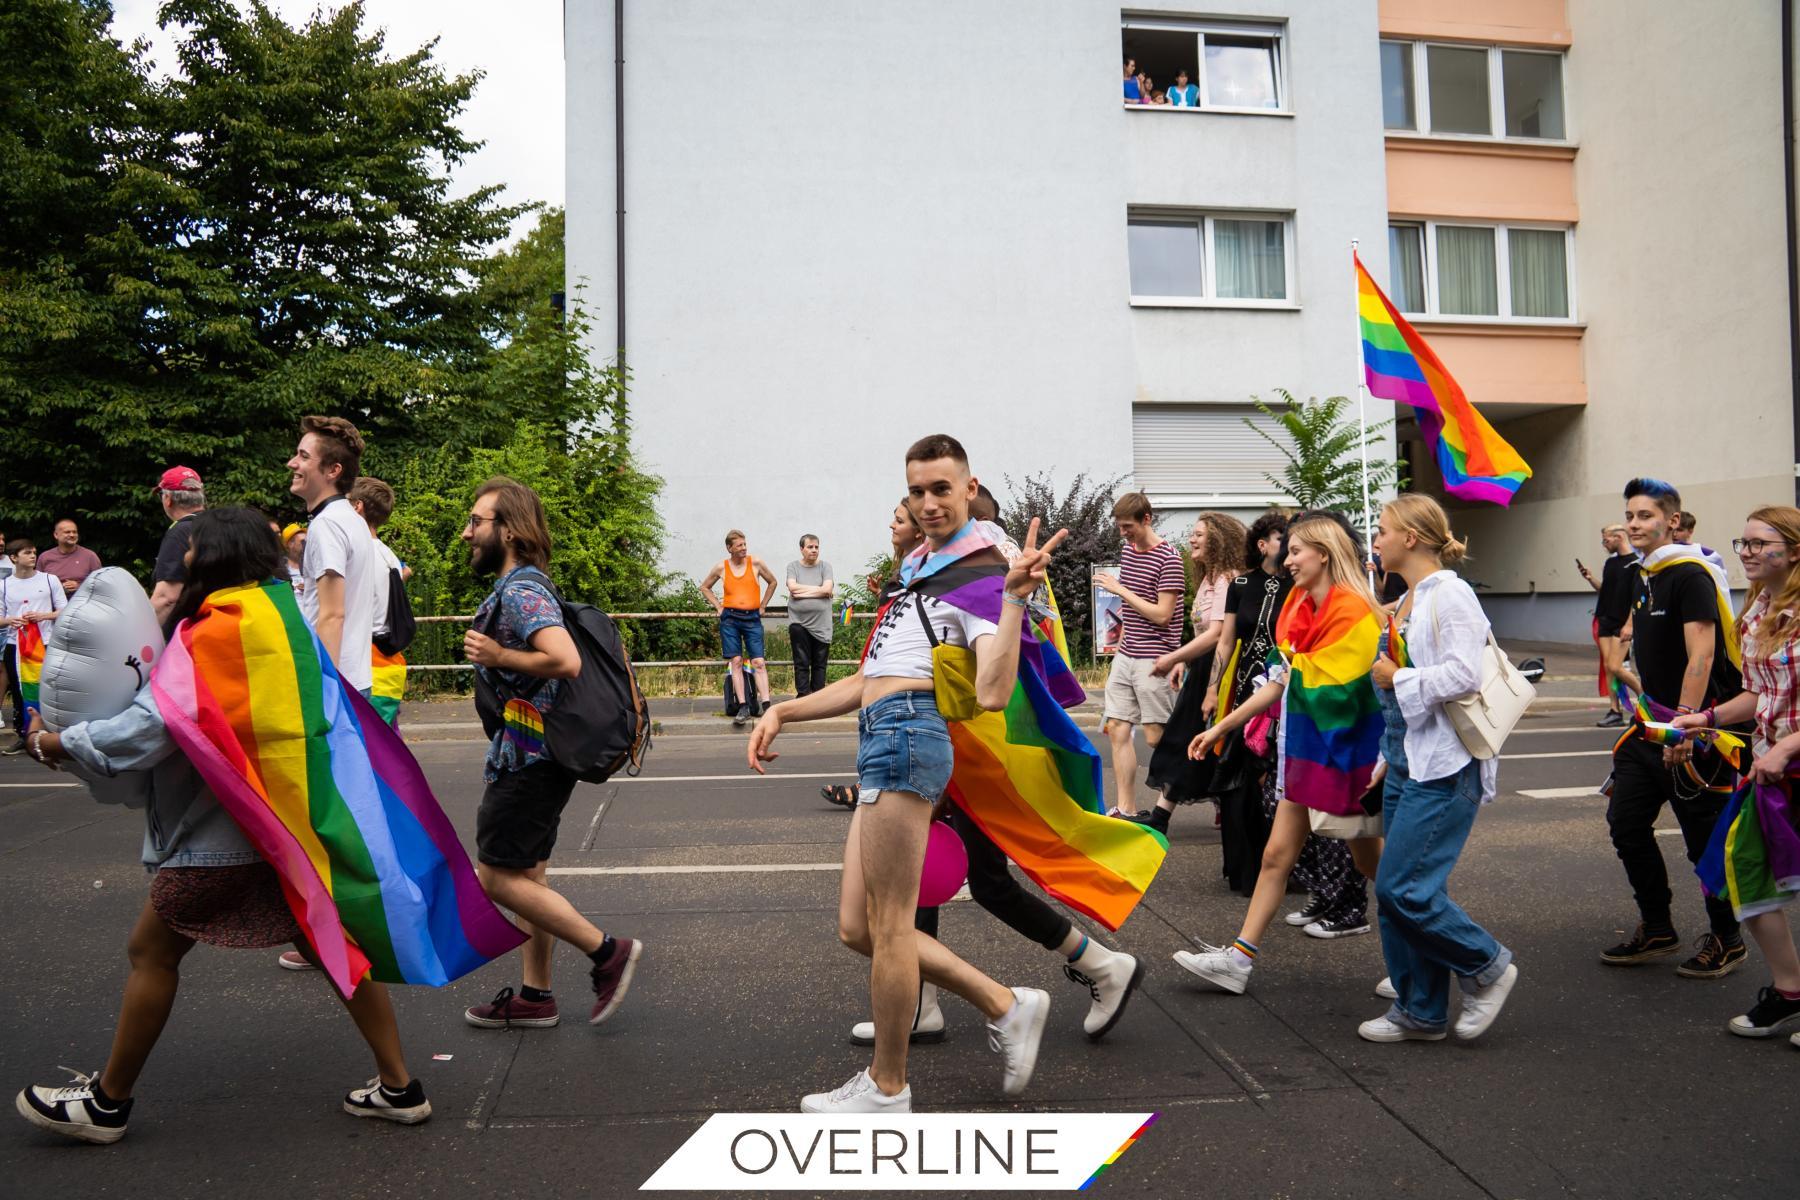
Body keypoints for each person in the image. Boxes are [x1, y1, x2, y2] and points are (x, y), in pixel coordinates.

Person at [14, 508, 430, 1144]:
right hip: (289, 830)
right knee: (331, 944)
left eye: (188, 552)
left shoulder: (210, 636)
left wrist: (57, 743)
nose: (179, 562)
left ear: (211, 560)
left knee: (151, 953)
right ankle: (400, 1086)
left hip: (218, 837)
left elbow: (149, 729)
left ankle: (107, 1103)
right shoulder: (286, 624)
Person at [748, 434, 1063, 1114]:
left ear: (969, 488)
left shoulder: (980, 571)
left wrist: (1011, 601)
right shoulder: (924, 564)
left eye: (940, 489)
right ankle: (1004, 1005)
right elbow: (870, 679)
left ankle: (888, 1087)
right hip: (883, 733)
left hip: (910, 739)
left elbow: (992, 691)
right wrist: (783, 709)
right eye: (916, 490)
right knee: (858, 928)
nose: (926, 502)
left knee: (890, 926)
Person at [457, 477, 643, 1032]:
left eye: (476, 521)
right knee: (529, 878)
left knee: (494, 877)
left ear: (507, 530)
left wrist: (497, 652)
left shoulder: (521, 591)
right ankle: (536, 996)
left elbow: (565, 660)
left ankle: (606, 951)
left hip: (530, 759)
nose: (467, 532)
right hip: (541, 755)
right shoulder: (530, 586)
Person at [1174, 515, 1385, 996]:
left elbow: (1333, 687)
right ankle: (1238, 960)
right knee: (1274, 857)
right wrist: (1223, 728)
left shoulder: (1352, 609)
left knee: (1375, 866)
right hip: (1304, 754)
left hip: (1341, 758)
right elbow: (1279, 679)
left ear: (1324, 555)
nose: (1286, 560)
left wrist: (1294, 671)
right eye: (1287, 551)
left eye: (1296, 552)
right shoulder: (1297, 605)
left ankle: (1427, 954)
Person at [1359, 495, 1518, 1043]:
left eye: (1381, 530)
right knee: (1396, 891)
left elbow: (1462, 677)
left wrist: (1394, 679)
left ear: (1412, 537)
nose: (1374, 539)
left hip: (1447, 766)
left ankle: (1487, 966)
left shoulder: (1452, 595)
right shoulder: (1405, 599)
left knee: (1405, 889)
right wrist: (1385, 756)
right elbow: (1404, 698)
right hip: (1408, 760)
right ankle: (1420, 1010)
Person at [1600, 478, 1746, 977]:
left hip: (1693, 732)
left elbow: (1702, 655)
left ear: (1673, 521)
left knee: (1703, 842)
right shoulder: (1645, 574)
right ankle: (1657, 926)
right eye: (1630, 516)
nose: (1634, 524)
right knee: (1625, 824)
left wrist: (1682, 728)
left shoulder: (1688, 574)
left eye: (1645, 516)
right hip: (1648, 726)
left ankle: (1728, 938)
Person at [1672, 506, 1800, 1040]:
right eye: (1742, 542)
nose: (1746, 551)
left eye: (1759, 543)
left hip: (1786, 761)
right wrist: (1704, 718)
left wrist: (1789, 745)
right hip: (1771, 772)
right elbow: (1756, 695)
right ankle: (1791, 992)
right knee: (1744, 873)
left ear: (1793, 550)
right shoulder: (1755, 611)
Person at [271, 419, 378, 971]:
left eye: (302, 455)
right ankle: (338, 934)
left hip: (334, 686)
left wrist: (321, 694)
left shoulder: (331, 528)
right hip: (352, 682)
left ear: (331, 471)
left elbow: (331, 613)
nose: (293, 462)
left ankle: (341, 939)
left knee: (322, 822)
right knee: (333, 819)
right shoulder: (349, 523)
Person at [1136, 512, 1248, 833]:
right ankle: (1163, 815)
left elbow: (1217, 636)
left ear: (1219, 539)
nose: (1192, 539)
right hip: (1201, 666)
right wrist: (1185, 661)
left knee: (1194, 740)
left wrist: (1172, 658)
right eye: (1193, 534)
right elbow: (1202, 634)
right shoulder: (1208, 579)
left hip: (1219, 670)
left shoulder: (1228, 579)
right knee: (1188, 739)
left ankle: (1162, 817)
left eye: (1200, 534)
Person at [1200, 512, 1290, 893]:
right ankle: (1245, 867)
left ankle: (1287, 866)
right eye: (1281, 537)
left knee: (1278, 777)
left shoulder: (1298, 586)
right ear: (1262, 544)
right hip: (1243, 691)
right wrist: (1210, 689)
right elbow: (1226, 641)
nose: (1288, 545)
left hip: (1285, 692)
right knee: (1240, 776)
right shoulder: (1240, 585)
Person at [821, 502, 924, 810]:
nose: (891, 525)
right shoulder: (905, 566)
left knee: (881, 727)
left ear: (919, 532)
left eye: (899, 520)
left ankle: (869, 788)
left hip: (897, 669)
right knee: (870, 722)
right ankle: (868, 785)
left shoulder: (922, 570)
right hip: (879, 657)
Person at [1094, 493, 1183, 817]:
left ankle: (1189, 792)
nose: (1123, 534)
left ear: (1147, 519)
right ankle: (1127, 808)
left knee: (1157, 737)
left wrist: (1120, 590)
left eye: (1127, 527)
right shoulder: (1128, 552)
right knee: (1117, 727)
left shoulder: (1169, 559)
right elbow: (1132, 611)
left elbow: (1163, 615)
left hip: (1155, 658)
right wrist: (1121, 646)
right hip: (1127, 654)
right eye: (1119, 527)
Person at [701, 531, 778, 726]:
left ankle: (767, 705)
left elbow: (773, 582)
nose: (744, 548)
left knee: (759, 662)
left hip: (752, 618)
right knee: (735, 661)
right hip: (730, 619)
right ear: (730, 548)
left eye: (745, 544)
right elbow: (705, 587)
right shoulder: (722, 567)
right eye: (739, 545)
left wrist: (763, 606)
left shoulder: (756, 563)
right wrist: (718, 606)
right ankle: (743, 706)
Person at [350, 477, 407, 727]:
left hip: (366, 667)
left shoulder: (357, 553)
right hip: (389, 666)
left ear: (357, 507)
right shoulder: (389, 556)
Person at [1, 537, 66, 755]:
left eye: (34, 551)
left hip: (47, 643)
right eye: (27, 552)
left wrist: (43, 616)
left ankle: (54, 734)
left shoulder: (49, 580)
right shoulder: (3, 585)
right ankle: (25, 735)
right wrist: (11, 620)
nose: (33, 556)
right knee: (21, 690)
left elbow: (65, 610)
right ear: (14, 558)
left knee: (51, 686)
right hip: (16, 646)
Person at [1579, 524, 1638, 727]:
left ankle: (1646, 701)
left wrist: (1630, 625)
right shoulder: (1610, 564)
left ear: (1619, 537)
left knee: (1615, 666)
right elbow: (1605, 591)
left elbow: (1637, 598)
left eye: (1606, 540)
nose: (1604, 544)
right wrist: (1590, 579)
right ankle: (1615, 711)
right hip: (1605, 619)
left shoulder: (1636, 564)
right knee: (1608, 668)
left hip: (1622, 623)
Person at [150, 466, 205, 626]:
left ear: (168, 499)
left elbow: (167, 598)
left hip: (192, 633)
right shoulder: (221, 525)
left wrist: (139, 638)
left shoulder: (180, 532)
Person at [785, 535, 835, 698]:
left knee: (820, 663)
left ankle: (817, 698)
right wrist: (819, 590)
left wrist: (803, 592)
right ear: (802, 549)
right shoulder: (793, 567)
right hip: (799, 623)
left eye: (816, 547)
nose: (814, 550)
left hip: (822, 624)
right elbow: (793, 588)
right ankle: (803, 696)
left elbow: (827, 588)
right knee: (801, 662)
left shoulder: (825, 567)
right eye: (810, 547)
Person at [37, 518, 102, 597]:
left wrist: (80, 586)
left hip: (82, 605)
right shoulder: (45, 557)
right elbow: (38, 584)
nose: (72, 535)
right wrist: (57, 587)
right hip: (52, 605)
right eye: (67, 532)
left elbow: (101, 584)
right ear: (56, 535)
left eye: (74, 532)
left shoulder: (90, 556)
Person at [281, 523, 307, 598]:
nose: (307, 544)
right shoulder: (281, 569)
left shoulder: (312, 564)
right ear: (290, 544)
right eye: (302, 541)